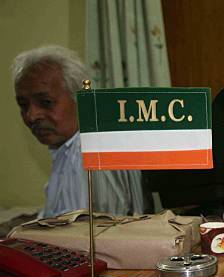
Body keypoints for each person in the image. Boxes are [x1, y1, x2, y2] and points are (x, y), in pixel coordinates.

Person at [12, 45, 149, 218]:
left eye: (45, 102)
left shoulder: (93, 151)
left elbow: (101, 235)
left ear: (80, 99)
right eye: (23, 105)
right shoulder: (65, 149)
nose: (31, 116)